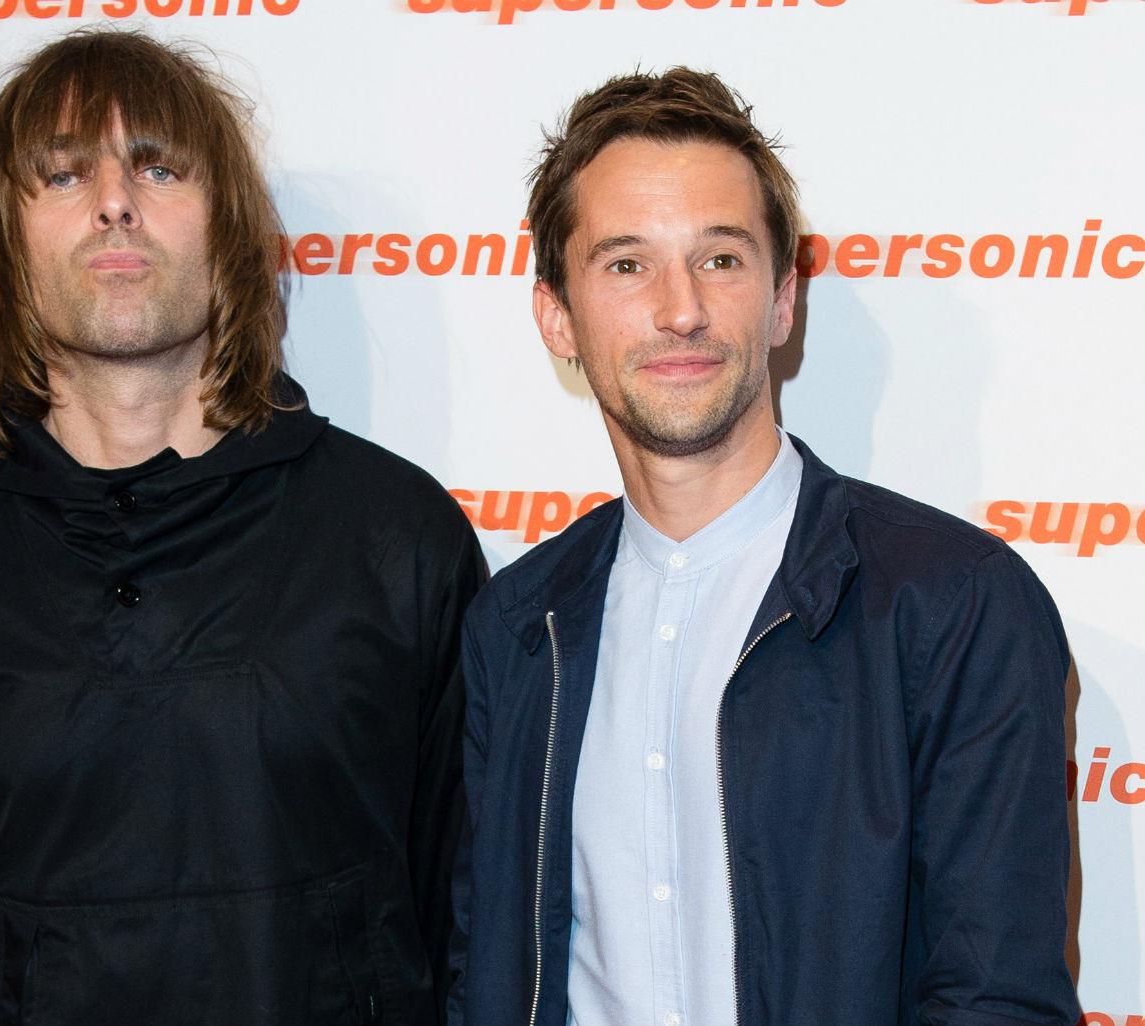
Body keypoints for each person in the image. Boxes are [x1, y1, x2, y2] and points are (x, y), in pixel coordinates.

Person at [0, 30, 483, 1026]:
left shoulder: (398, 538)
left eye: (157, 165)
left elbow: (458, 898)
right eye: (62, 174)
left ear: (226, 226)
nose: (114, 201)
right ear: (7, 245)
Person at [448, 68, 1079, 1026]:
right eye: (626, 264)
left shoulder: (956, 603)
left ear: (784, 300)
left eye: (721, 259)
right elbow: (485, 970)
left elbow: (999, 998)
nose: (680, 310)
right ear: (557, 317)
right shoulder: (516, 622)